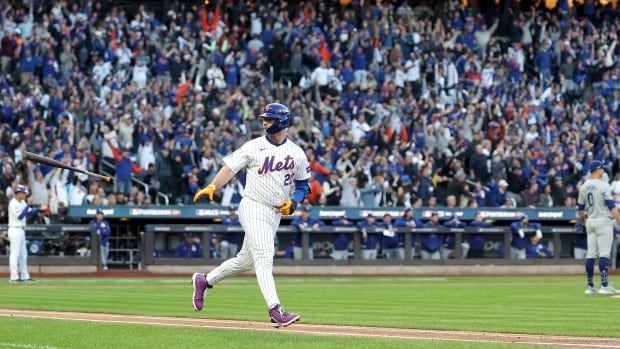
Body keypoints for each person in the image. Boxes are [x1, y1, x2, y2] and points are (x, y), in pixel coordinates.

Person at [191, 103, 310, 328]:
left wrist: (294, 203)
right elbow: (230, 168)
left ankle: (204, 281)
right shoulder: (253, 146)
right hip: (253, 205)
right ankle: (276, 310)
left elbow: (304, 185)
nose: (265, 122)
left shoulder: (297, 153)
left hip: (275, 212)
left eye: (270, 119)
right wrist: (213, 186)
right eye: (264, 118)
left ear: (282, 121)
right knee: (265, 257)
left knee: (245, 261)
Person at [578, 160, 620, 294]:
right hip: (603, 221)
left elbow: (580, 210)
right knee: (604, 254)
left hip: (590, 221)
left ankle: (590, 286)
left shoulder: (583, 186)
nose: (604, 171)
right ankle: (604, 285)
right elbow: (612, 208)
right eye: (602, 169)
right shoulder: (604, 185)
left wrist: (585, 221)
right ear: (597, 169)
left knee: (591, 255)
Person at [8, 185, 43, 282]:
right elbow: (20, 216)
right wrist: (29, 204)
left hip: (21, 230)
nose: (25, 195)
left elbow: (29, 213)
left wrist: (40, 210)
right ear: (18, 193)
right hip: (15, 229)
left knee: (23, 254)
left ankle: (24, 276)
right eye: (23, 193)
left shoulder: (23, 202)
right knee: (15, 254)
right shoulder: (13, 203)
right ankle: (14, 277)